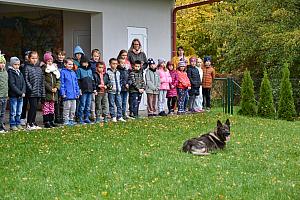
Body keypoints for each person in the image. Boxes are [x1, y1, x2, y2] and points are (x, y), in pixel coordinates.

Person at [24, 51, 45, 130]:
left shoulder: (39, 68)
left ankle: (33, 122)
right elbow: (26, 80)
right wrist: (31, 89)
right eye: (32, 58)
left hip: (38, 91)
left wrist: (42, 92)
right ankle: (29, 123)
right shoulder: (27, 67)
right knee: (32, 107)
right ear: (29, 59)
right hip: (32, 92)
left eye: (36, 58)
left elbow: (42, 81)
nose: (34, 60)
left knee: (35, 107)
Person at [42, 52, 61, 128]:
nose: (50, 62)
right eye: (48, 61)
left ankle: (51, 121)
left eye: (51, 60)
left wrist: (56, 87)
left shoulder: (54, 70)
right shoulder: (44, 69)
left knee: (52, 108)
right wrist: (50, 88)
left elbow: (58, 80)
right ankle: (46, 121)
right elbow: (44, 81)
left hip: (54, 92)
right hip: (47, 92)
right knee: (46, 107)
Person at [60, 58, 80, 126]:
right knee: (67, 108)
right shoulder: (63, 72)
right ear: (65, 64)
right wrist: (63, 93)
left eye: (72, 64)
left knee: (73, 108)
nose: (71, 66)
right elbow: (62, 83)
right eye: (69, 64)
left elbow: (76, 83)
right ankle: (66, 120)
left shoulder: (73, 72)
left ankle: (71, 119)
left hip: (74, 95)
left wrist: (77, 92)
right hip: (67, 94)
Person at [7, 57, 26, 131]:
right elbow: (12, 85)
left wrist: (23, 91)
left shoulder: (20, 72)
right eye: (15, 64)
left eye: (18, 64)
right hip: (14, 96)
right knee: (13, 111)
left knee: (19, 111)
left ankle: (18, 123)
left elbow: (24, 83)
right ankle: (12, 124)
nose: (17, 66)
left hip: (21, 96)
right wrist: (20, 93)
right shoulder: (10, 72)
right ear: (12, 65)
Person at [76, 56, 96, 124]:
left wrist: (94, 88)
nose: (86, 64)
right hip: (83, 90)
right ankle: (80, 117)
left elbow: (92, 80)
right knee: (82, 104)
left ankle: (86, 117)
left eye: (87, 63)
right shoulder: (79, 70)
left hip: (90, 90)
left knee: (88, 105)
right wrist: (79, 89)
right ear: (81, 63)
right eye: (84, 62)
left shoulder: (90, 70)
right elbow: (78, 80)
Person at [107, 58, 125, 122]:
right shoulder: (108, 72)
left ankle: (119, 116)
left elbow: (120, 80)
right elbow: (107, 81)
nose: (115, 65)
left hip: (118, 91)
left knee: (119, 104)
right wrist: (109, 86)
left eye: (116, 64)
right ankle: (113, 116)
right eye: (113, 64)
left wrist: (120, 86)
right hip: (111, 91)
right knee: (112, 104)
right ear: (110, 64)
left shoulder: (118, 72)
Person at [54, 49, 66, 124]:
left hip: (64, 85)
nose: (61, 56)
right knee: (57, 102)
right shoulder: (55, 64)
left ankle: (62, 117)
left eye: (62, 55)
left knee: (63, 102)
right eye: (59, 55)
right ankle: (57, 117)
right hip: (57, 84)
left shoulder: (65, 64)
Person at [20, 50, 31, 126]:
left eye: (28, 55)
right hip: (24, 87)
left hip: (31, 87)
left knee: (30, 104)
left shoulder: (33, 65)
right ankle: (22, 117)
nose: (27, 56)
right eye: (26, 55)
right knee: (24, 103)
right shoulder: (22, 66)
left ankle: (29, 118)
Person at [0, 53, 8, 133]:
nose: (2, 65)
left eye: (3, 63)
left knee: (3, 113)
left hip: (5, 96)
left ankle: (1, 125)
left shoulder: (5, 73)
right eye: (0, 63)